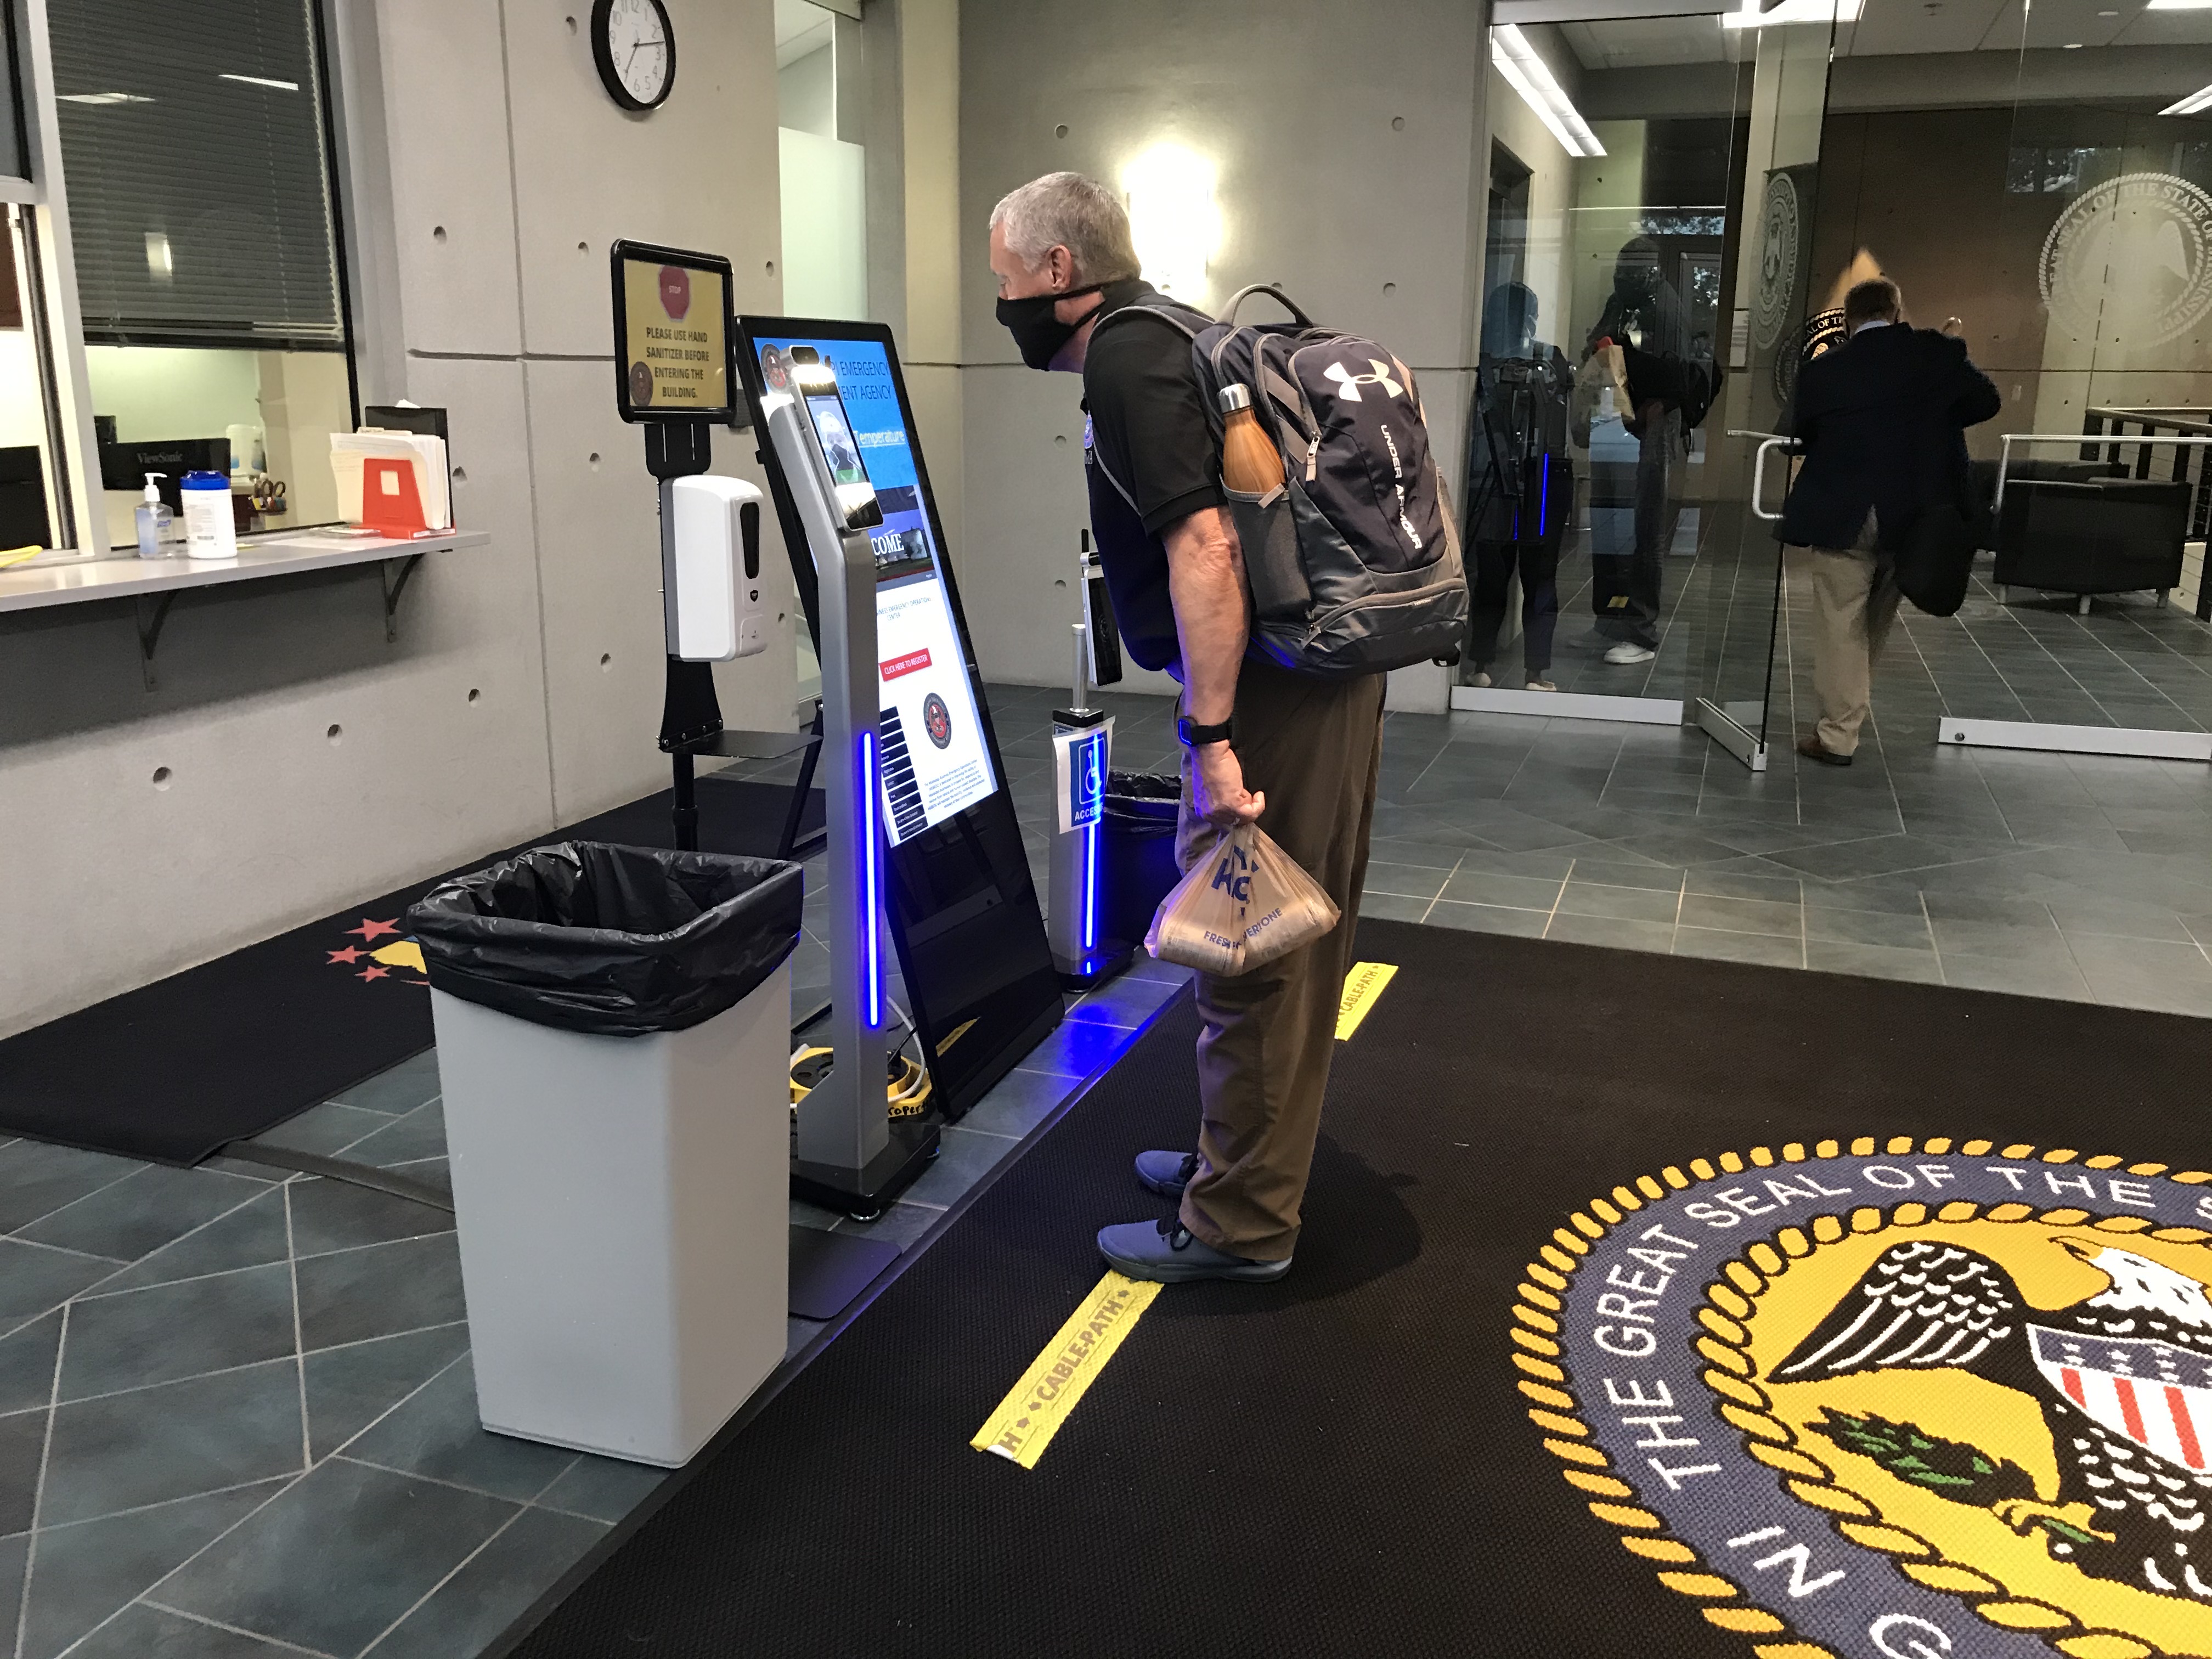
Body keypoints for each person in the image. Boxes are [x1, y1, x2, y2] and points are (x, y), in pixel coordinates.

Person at [987, 170, 1385, 1285]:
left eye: (1005, 278)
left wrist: (1211, 742)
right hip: (1321, 676)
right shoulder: (1188, 330)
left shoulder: (1127, 354)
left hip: (1274, 693)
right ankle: (1239, 1168)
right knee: (1291, 949)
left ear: (1059, 270)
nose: (1003, 300)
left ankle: (1242, 1225)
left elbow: (1205, 552)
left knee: (1251, 949)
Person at [1779, 276, 1999, 766]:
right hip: (1915, 516)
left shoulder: (1826, 370)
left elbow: (1797, 431)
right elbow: (1987, 402)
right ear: (1898, 312)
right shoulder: (1935, 356)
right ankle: (1847, 714)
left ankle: (1838, 734)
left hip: (1844, 511)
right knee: (1874, 617)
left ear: (1849, 319)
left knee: (1841, 619)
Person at [1582, 238, 1704, 667]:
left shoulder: (1666, 307)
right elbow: (1598, 342)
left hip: (1657, 424)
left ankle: (1641, 630)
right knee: (1609, 524)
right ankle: (1611, 620)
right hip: (1620, 417)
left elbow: (1678, 375)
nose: (1623, 276)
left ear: (1649, 273)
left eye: (1631, 269)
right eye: (1622, 267)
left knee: (1648, 532)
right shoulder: (1622, 302)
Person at [1466, 281, 1571, 692]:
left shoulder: (1542, 362)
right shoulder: (1534, 361)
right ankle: (1527, 672)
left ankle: (1489, 667)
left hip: (1529, 478)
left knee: (1515, 577)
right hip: (1520, 479)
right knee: (1527, 578)